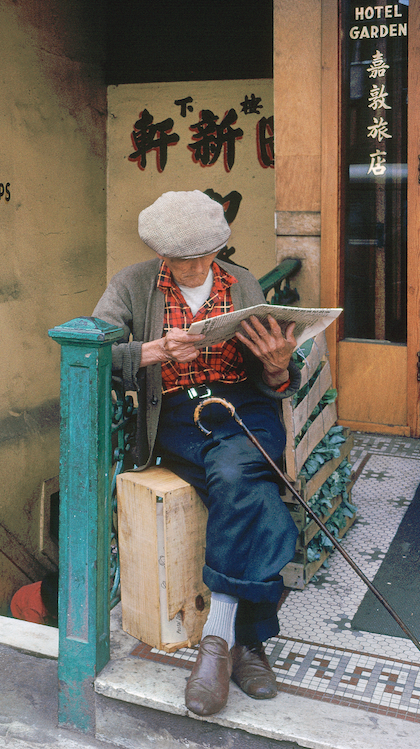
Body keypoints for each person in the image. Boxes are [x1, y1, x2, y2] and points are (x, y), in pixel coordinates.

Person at [92, 190, 300, 716]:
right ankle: (250, 643)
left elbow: (269, 375)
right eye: (185, 261)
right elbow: (93, 352)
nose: (199, 268)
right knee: (255, 495)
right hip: (179, 415)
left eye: (209, 256)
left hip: (243, 405)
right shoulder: (133, 285)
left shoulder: (242, 282)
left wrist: (277, 367)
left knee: (237, 472)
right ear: (163, 255)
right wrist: (157, 349)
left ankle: (218, 641)